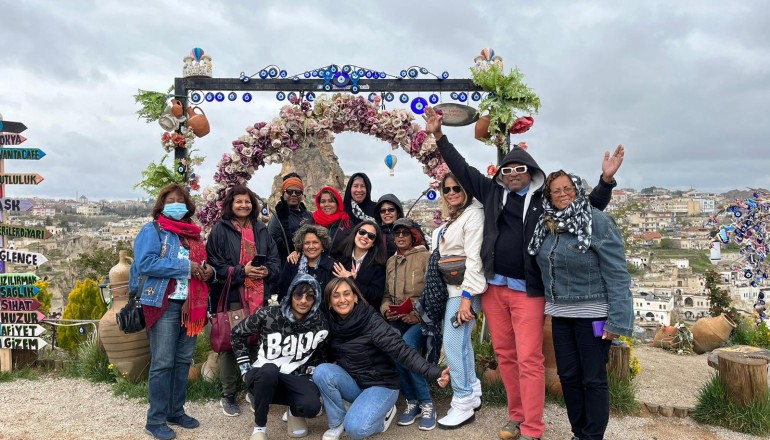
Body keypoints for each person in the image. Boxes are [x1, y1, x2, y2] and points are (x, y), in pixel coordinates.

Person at [422, 106, 623, 440]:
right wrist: (439, 135)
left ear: (531, 172)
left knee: (529, 358)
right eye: (508, 169)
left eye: (520, 168)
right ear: (501, 173)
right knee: (506, 356)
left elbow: (582, 209)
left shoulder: (543, 200)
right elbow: (460, 167)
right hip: (495, 289)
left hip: (528, 291)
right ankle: (517, 417)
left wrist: (605, 182)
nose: (513, 173)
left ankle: (533, 427)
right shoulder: (490, 192)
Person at [528, 171, 633, 440]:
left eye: (568, 188)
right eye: (556, 191)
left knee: (593, 378)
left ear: (577, 190)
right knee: (569, 376)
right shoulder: (547, 225)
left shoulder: (596, 221)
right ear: (548, 196)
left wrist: (617, 320)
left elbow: (617, 273)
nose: (563, 194)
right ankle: (579, 432)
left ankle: (592, 436)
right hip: (560, 313)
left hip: (594, 314)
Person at [312, 277, 451, 440]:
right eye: (336, 295)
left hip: (381, 385)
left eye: (347, 294)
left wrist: (434, 373)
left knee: (355, 430)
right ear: (329, 301)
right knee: (322, 371)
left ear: (355, 297)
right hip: (355, 382)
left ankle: (382, 416)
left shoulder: (371, 321)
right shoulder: (331, 322)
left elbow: (403, 351)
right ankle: (337, 424)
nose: (342, 300)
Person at [131, 183, 213, 440]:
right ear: (162, 205)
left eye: (181, 200)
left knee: (182, 362)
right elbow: (146, 263)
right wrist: (185, 266)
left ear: (187, 206)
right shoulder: (152, 230)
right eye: (170, 200)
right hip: (164, 304)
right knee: (163, 362)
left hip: (192, 307)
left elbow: (202, 265)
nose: (176, 204)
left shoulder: (193, 235)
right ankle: (155, 419)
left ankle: (175, 411)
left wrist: (208, 270)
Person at [206, 185, 281, 417]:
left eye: (247, 201)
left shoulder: (261, 229)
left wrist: (266, 272)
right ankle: (228, 394)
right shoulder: (220, 230)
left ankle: (253, 388)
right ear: (230, 204)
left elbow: (275, 261)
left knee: (258, 342)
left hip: (260, 296)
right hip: (233, 297)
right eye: (238, 201)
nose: (243, 205)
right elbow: (214, 266)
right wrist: (242, 271)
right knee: (231, 344)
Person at [232, 273, 330, 440]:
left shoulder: (320, 322)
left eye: (310, 296)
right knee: (269, 370)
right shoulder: (270, 314)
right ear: (291, 294)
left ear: (316, 299)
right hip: (263, 376)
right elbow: (237, 334)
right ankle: (260, 428)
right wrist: (244, 369)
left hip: (295, 378)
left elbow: (322, 353)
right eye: (299, 294)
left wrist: (310, 379)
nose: (303, 300)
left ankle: (294, 410)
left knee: (312, 407)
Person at [427, 174, 487, 429]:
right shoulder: (455, 218)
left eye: (457, 188)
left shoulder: (473, 215)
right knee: (462, 345)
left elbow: (474, 259)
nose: (451, 192)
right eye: (447, 189)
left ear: (466, 189)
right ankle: (472, 390)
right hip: (453, 290)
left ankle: (462, 399)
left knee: (451, 345)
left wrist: (466, 299)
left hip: (463, 291)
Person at [379, 218, 436, 430]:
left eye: (405, 233)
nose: (401, 237)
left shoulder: (425, 257)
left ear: (414, 235)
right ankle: (412, 401)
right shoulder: (390, 262)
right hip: (398, 318)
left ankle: (427, 402)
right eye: (397, 234)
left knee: (407, 346)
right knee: (392, 345)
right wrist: (387, 310)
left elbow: (433, 292)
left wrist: (417, 315)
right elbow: (386, 295)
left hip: (422, 319)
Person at [333, 220, 387, 310]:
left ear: (373, 243)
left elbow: (375, 295)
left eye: (371, 236)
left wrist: (350, 279)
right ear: (355, 233)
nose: (365, 236)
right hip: (338, 309)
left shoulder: (378, 265)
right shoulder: (339, 257)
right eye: (362, 232)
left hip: (363, 312)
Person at [278, 224, 338, 302]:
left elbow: (333, 297)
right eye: (307, 243)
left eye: (315, 242)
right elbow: (282, 292)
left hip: (321, 313)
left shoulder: (332, 266)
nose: (311, 246)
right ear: (302, 246)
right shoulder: (292, 262)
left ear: (323, 245)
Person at [268, 173, 314, 269]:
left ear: (302, 194)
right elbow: (274, 243)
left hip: (309, 266)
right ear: (283, 194)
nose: (293, 195)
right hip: (286, 266)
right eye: (289, 191)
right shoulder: (277, 218)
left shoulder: (309, 215)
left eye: (297, 192)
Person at [311, 186, 352, 259]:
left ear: (337, 203)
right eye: (323, 201)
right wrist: (296, 251)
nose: (326, 204)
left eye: (331, 201)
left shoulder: (346, 222)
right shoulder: (312, 220)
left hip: (339, 267)